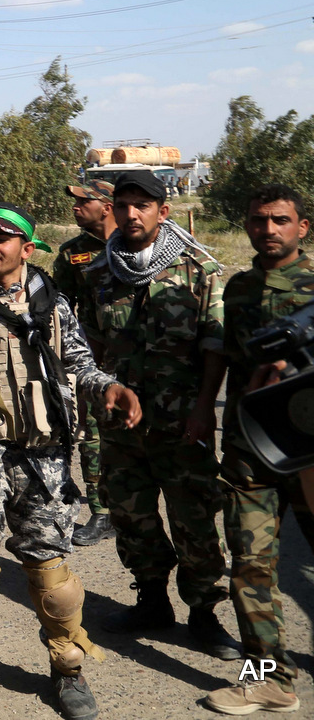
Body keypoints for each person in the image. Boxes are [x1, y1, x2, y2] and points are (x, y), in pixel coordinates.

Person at [0, 203, 141, 720]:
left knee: (55, 581)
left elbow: (80, 363)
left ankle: (69, 672)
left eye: (4, 238)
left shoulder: (52, 306)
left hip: (44, 460)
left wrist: (110, 388)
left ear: (26, 248)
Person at [82, 169, 238, 659]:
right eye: (124, 205)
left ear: (162, 212)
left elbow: (215, 346)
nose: (131, 214)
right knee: (132, 517)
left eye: (142, 205)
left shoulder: (198, 270)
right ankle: (151, 602)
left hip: (181, 423)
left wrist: (202, 409)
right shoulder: (101, 274)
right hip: (121, 429)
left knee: (195, 519)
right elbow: (90, 346)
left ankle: (204, 614)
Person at [202, 184, 314, 715]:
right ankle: (267, 676)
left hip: (311, 449)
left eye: (280, 220)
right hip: (252, 447)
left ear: (301, 227)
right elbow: (225, 356)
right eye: (258, 220)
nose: (268, 229)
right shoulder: (239, 287)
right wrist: (205, 408)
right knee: (249, 566)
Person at [51, 180, 118, 548]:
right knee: (92, 436)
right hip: (93, 361)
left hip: (142, 360)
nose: (75, 207)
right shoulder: (72, 253)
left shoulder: (134, 244)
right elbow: (59, 307)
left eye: (83, 201)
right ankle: (102, 512)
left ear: (107, 206)